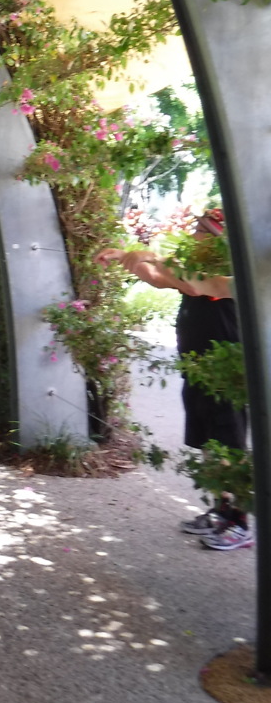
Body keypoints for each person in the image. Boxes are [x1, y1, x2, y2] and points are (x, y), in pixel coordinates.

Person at [95, 206, 250, 551]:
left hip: (224, 376)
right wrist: (129, 257)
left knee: (229, 446)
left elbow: (187, 282)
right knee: (211, 445)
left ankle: (239, 522)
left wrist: (140, 256)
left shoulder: (227, 275)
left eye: (206, 233)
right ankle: (221, 511)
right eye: (198, 228)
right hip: (198, 370)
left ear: (222, 244)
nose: (197, 236)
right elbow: (161, 275)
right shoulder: (196, 267)